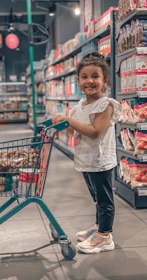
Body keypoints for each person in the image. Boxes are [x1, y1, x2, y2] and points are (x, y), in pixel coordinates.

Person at [52, 52, 121, 254]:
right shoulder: (80, 106)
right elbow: (76, 133)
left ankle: (105, 236)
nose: (89, 81)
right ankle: (99, 227)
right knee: (97, 198)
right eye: (84, 77)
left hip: (100, 160)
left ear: (105, 80)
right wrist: (64, 124)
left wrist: (69, 121)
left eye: (95, 76)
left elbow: (94, 131)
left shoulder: (106, 105)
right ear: (78, 81)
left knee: (105, 199)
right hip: (86, 159)